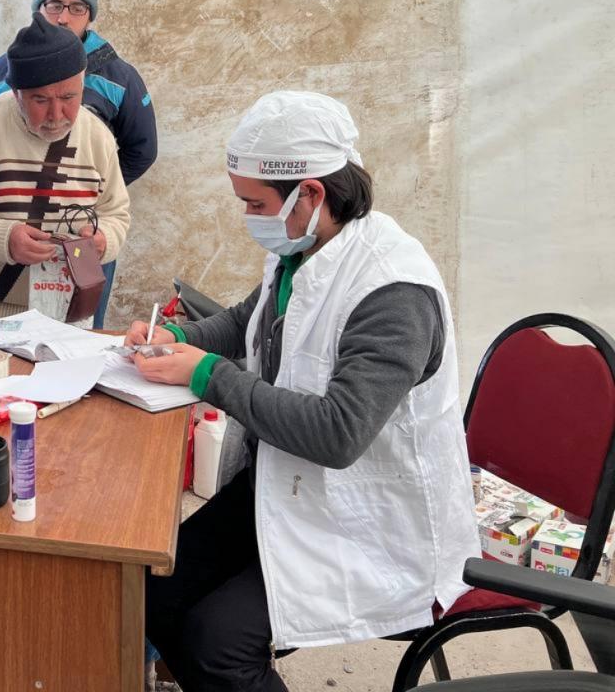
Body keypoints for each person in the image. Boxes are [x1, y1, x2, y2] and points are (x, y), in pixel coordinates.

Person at [125, 91, 479, 691]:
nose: (247, 217)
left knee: (218, 641)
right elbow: (248, 320)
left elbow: (340, 435)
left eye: (254, 204)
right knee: (149, 591)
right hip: (292, 483)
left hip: (370, 519)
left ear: (310, 193)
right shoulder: (305, 249)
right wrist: (178, 335)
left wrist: (206, 373)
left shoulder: (393, 290)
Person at [0, 0, 157, 328]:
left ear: (89, 15)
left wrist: (91, 190)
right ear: (38, 10)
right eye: (54, 4)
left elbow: (142, 148)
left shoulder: (120, 77)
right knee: (6, 337)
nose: (63, 17)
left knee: (80, 333)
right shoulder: (0, 74)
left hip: (82, 242)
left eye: (77, 8)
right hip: (8, 244)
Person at [0, 13, 131, 319]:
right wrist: (4, 239)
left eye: (69, 97)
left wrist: (105, 240)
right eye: (40, 100)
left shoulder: (97, 137)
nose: (56, 114)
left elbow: (116, 214)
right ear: (16, 94)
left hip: (65, 312)